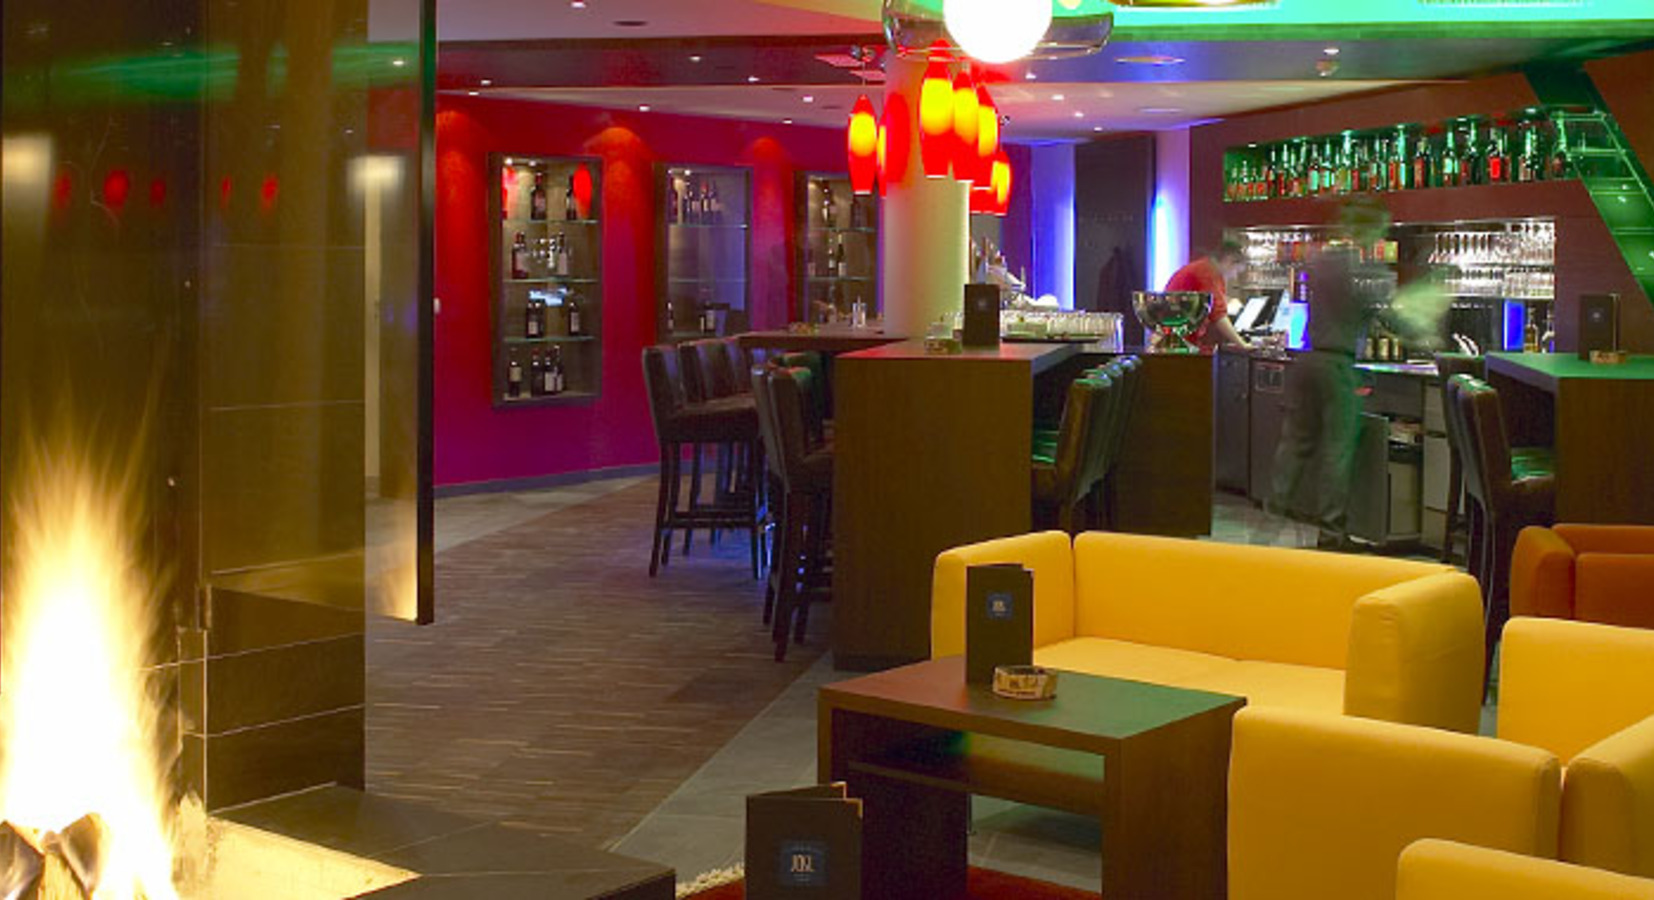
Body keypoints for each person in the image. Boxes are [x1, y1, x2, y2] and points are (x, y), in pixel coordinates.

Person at [1268, 197, 1447, 549]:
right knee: (1337, 452)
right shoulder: (1366, 270)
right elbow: (1390, 317)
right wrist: (1425, 332)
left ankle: (1272, 515)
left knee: (1296, 443)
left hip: (1308, 359)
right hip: (1338, 366)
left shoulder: (1318, 261)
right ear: (1371, 229)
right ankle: (1332, 533)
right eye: (1381, 228)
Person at [1163, 242, 1250, 351]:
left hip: (1182, 336)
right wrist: (1242, 344)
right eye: (1236, 270)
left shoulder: (1207, 269)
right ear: (1229, 260)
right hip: (1179, 339)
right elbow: (1218, 315)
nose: (1234, 276)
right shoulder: (1207, 273)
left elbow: (1214, 301)